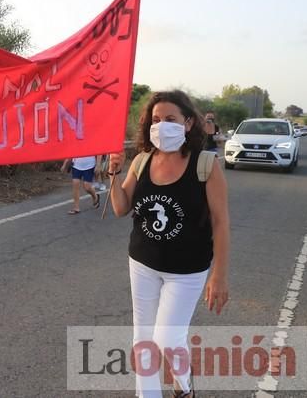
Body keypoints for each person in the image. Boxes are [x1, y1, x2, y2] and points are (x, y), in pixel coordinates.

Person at [108, 90, 230, 398]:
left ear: (188, 123)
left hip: (187, 271)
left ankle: (184, 384)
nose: (162, 125)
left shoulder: (206, 165)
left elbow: (221, 222)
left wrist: (219, 275)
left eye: (171, 119)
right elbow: (121, 208)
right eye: (156, 119)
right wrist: (113, 173)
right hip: (142, 263)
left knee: (167, 339)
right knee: (143, 340)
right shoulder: (141, 160)